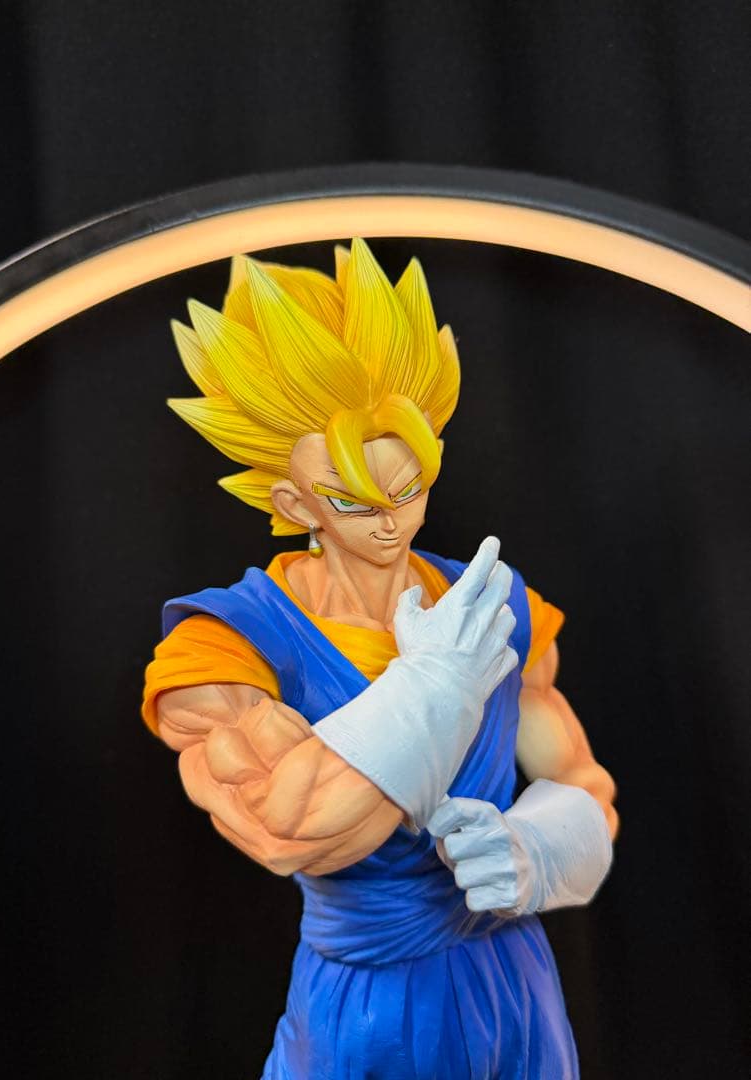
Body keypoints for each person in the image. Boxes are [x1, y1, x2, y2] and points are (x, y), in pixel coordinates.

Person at [141, 239, 618, 1079]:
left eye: (409, 489)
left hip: (513, 980)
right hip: (368, 1006)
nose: (391, 520)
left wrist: (538, 851)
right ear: (295, 503)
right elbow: (289, 830)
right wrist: (434, 687)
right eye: (354, 500)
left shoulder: (494, 605)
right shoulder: (230, 644)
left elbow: (584, 781)